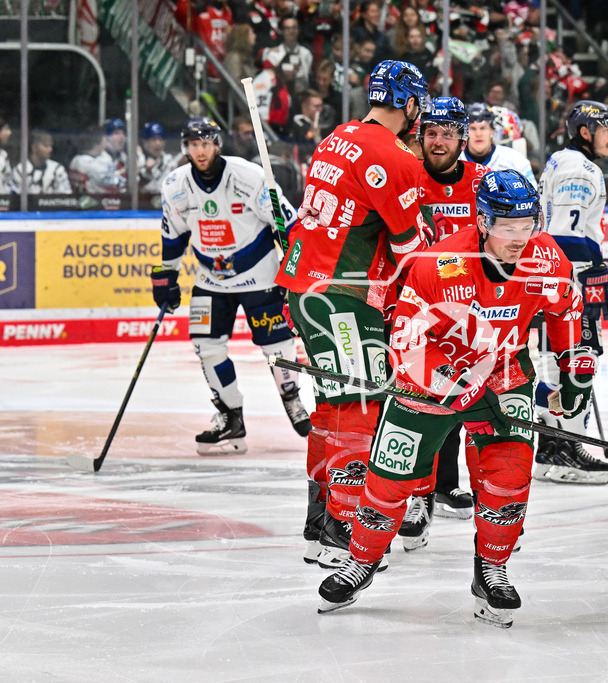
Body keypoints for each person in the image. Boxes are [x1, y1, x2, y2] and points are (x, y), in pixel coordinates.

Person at [317, 169, 587, 629]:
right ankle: (361, 561)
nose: (519, 238)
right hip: (432, 375)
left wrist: (574, 370)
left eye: (527, 226)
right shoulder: (439, 263)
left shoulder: (547, 257)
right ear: (483, 221)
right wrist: (446, 378)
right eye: (507, 227)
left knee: (508, 475)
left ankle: (492, 569)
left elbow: (566, 310)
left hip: (503, 371)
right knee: (391, 477)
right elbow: (404, 338)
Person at [273, 59, 434, 569]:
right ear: (409, 104)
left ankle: (319, 524)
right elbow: (411, 248)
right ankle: (344, 530)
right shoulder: (395, 156)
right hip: (343, 296)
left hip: (305, 289)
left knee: (331, 405)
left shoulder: (336, 136)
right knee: (360, 406)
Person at [151, 118, 311, 459]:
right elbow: (173, 235)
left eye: (205, 144)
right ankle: (230, 416)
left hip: (260, 276)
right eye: (193, 145)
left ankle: (291, 398)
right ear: (186, 149)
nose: (200, 151)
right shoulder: (175, 185)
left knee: (278, 346)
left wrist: (292, 259)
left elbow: (289, 222)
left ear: (217, 144)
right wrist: (165, 277)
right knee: (206, 347)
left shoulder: (249, 176)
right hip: (210, 279)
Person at [532, 100, 608, 485]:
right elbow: (565, 234)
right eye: (607, 129)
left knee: (555, 360)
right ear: (585, 132)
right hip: (571, 278)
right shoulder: (580, 169)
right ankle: (570, 447)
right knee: (580, 358)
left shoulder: (557, 160)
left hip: (552, 276)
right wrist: (595, 268)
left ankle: (551, 445)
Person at [412, 96, 490, 525]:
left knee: (459, 395)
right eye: (431, 133)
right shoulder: (405, 175)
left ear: (462, 136)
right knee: (416, 400)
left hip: (467, 308)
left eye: (447, 134)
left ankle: (443, 484)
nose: (438, 142)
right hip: (415, 303)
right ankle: (416, 491)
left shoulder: (483, 181)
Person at [461, 103, 537, 187]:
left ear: (492, 130)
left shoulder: (515, 160)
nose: (478, 134)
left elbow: (532, 194)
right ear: (465, 132)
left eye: (483, 128)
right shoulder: (454, 160)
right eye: (473, 128)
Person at [69, 124, 126, 195]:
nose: (106, 142)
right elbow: (121, 184)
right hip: (97, 202)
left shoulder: (76, 159)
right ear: (97, 145)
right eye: (104, 140)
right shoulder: (90, 165)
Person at [10, 130, 72, 195]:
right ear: (34, 148)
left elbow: (66, 196)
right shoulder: (20, 169)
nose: (50, 149)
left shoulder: (58, 169)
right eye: (46, 146)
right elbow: (14, 196)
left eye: (50, 146)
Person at [138, 122, 180, 196]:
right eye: (153, 139)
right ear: (145, 141)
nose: (158, 143)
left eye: (160, 139)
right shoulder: (138, 159)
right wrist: (147, 170)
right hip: (143, 202)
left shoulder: (168, 160)